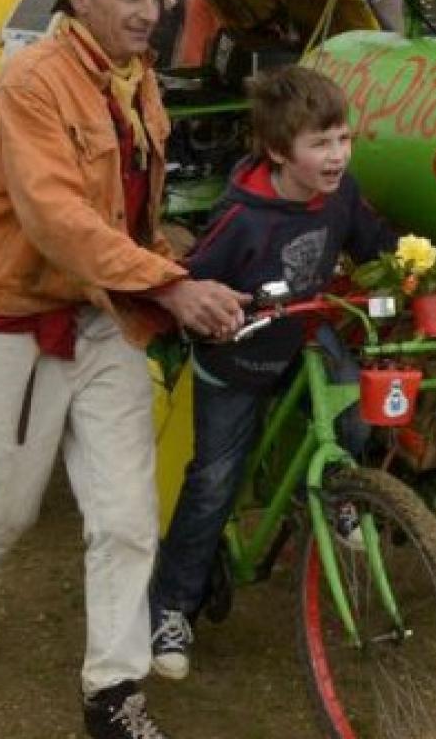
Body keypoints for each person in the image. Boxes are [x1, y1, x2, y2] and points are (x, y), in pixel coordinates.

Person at [0, 0, 247, 739]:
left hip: (102, 316)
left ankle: (113, 691)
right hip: (12, 318)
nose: (151, 11)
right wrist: (171, 286)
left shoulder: (138, 80)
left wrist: (184, 263)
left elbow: (128, 216)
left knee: (125, 515)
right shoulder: (30, 84)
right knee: (4, 509)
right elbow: (57, 220)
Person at [146, 66, 393, 681]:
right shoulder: (242, 218)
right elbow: (197, 283)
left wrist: (410, 266)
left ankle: (336, 496)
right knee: (213, 483)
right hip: (237, 357)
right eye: (320, 143)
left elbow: (375, 244)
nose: (337, 155)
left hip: (304, 333)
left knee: (354, 412)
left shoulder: (342, 193)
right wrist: (210, 316)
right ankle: (171, 605)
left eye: (343, 138)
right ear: (280, 152)